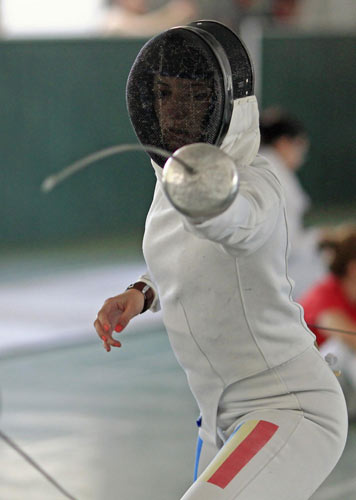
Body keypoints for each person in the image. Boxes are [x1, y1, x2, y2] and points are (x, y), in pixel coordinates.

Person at [94, 20, 347, 499]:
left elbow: (235, 225)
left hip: (290, 408)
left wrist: (210, 199)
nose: (175, 109)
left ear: (228, 106)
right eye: (165, 93)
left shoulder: (259, 183)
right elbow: (190, 254)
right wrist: (142, 293)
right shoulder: (169, 183)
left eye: (195, 96)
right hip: (220, 421)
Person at [259, 107, 326, 298]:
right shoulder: (276, 174)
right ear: (284, 143)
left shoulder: (263, 165)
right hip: (275, 276)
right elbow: (287, 246)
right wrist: (320, 239)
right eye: (300, 147)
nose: (302, 156)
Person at [300, 225, 356, 419]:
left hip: (342, 394)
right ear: (353, 268)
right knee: (339, 350)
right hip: (306, 394)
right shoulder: (324, 294)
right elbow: (349, 338)